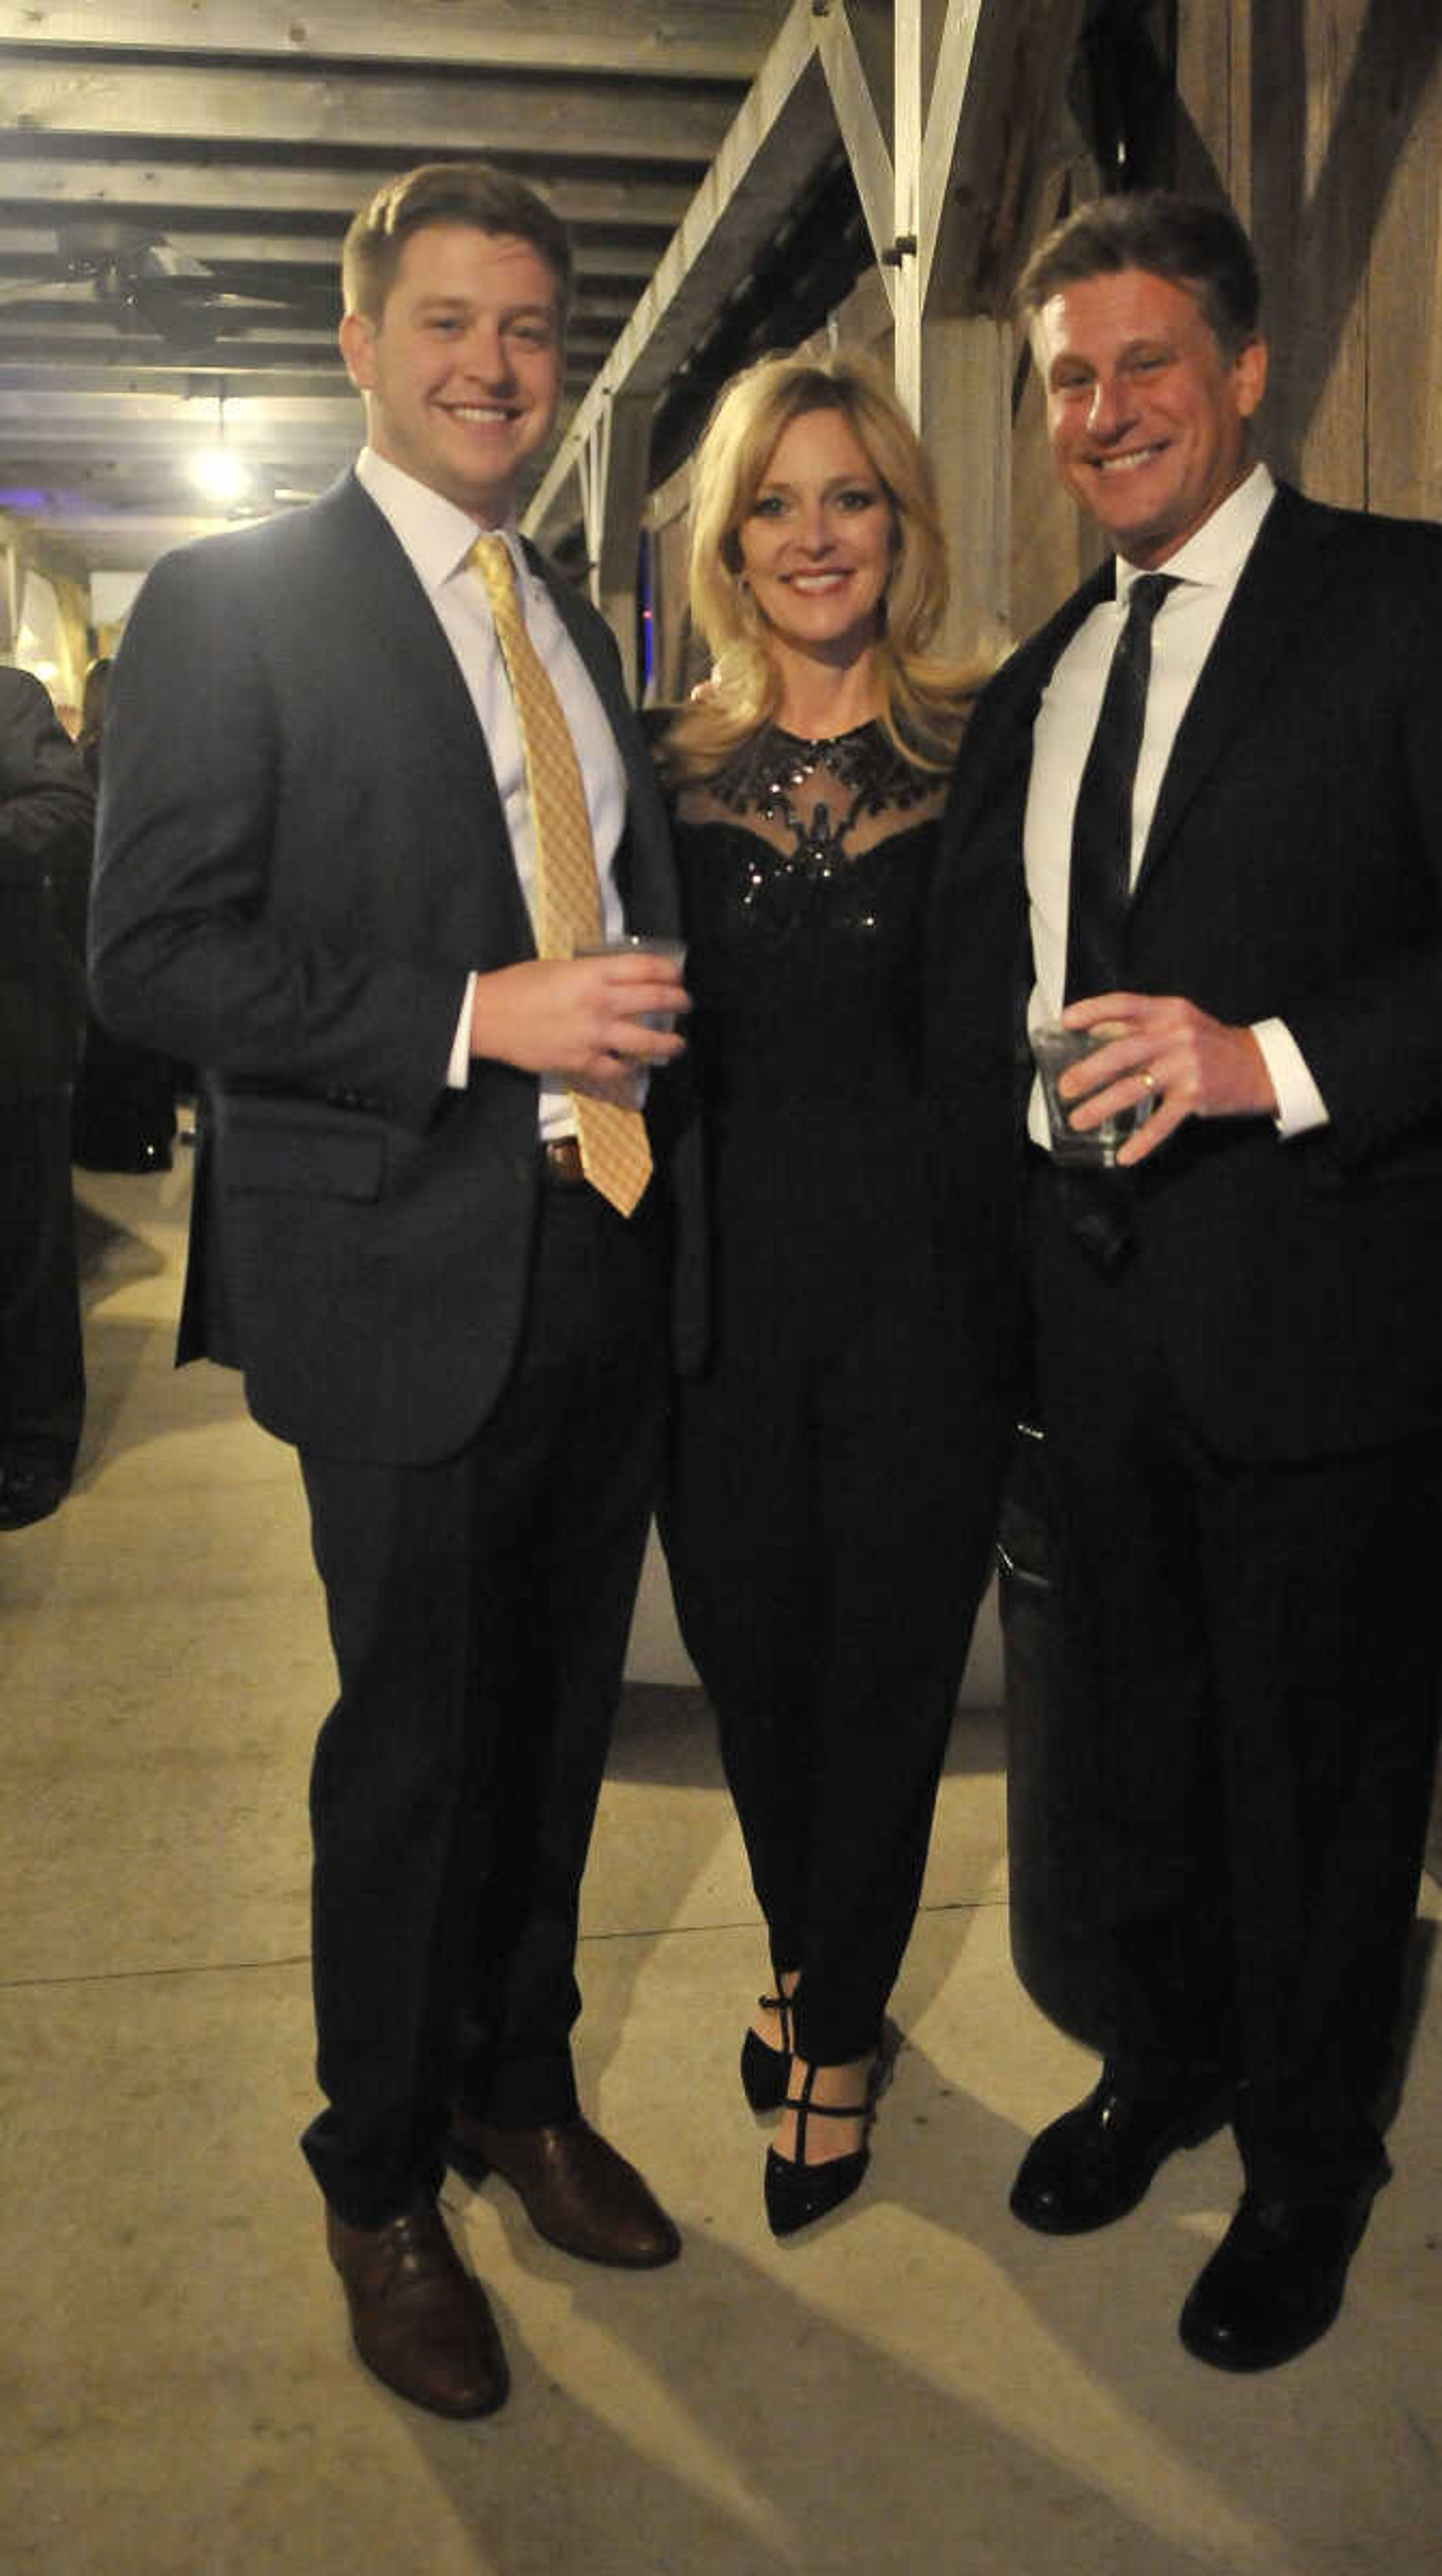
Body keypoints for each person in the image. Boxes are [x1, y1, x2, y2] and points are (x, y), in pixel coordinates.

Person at [928, 191, 1442, 2370]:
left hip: (1321, 1327)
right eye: (1070, 374)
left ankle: (1312, 2169)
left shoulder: (1420, 606)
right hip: (1092, 1324)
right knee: (1134, 1750)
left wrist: (1268, 1062)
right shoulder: (1040, 682)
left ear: (1246, 373)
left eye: (1150, 361)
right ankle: (1169, 2068)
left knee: (1322, 1784)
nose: (1108, 407)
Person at [90, 161, 700, 2422]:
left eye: (531, 328)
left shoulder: (556, 611)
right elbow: (150, 956)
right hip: (403, 1273)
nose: (492, 365)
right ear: (358, 343)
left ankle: (512, 2093)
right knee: (417, 1755)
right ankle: (374, 2177)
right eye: (446, 320)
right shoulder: (234, 602)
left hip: (602, 1250)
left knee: (556, 1738)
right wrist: (481, 1013)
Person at [655, 354, 1010, 2236]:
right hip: (714, 1319)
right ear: (730, 543)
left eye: (849, 498)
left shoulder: (986, 752)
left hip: (926, 1313)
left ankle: (837, 2032)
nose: (815, 536)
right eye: (777, 504)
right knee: (757, 1677)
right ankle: (811, 1955)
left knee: (884, 1684)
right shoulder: (660, 772)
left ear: (902, 525)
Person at [0, 664, 95, 1529]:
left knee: (24, 1250)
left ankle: (33, 1444)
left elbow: (64, 812)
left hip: (11, 1027)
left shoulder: (9, 697)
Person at [71, 657, 180, 1174]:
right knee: (139, 1035)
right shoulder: (143, 758)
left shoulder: (75, 762)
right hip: (143, 903)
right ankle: (143, 1143)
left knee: (102, 1042)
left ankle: (100, 1143)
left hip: (87, 917)